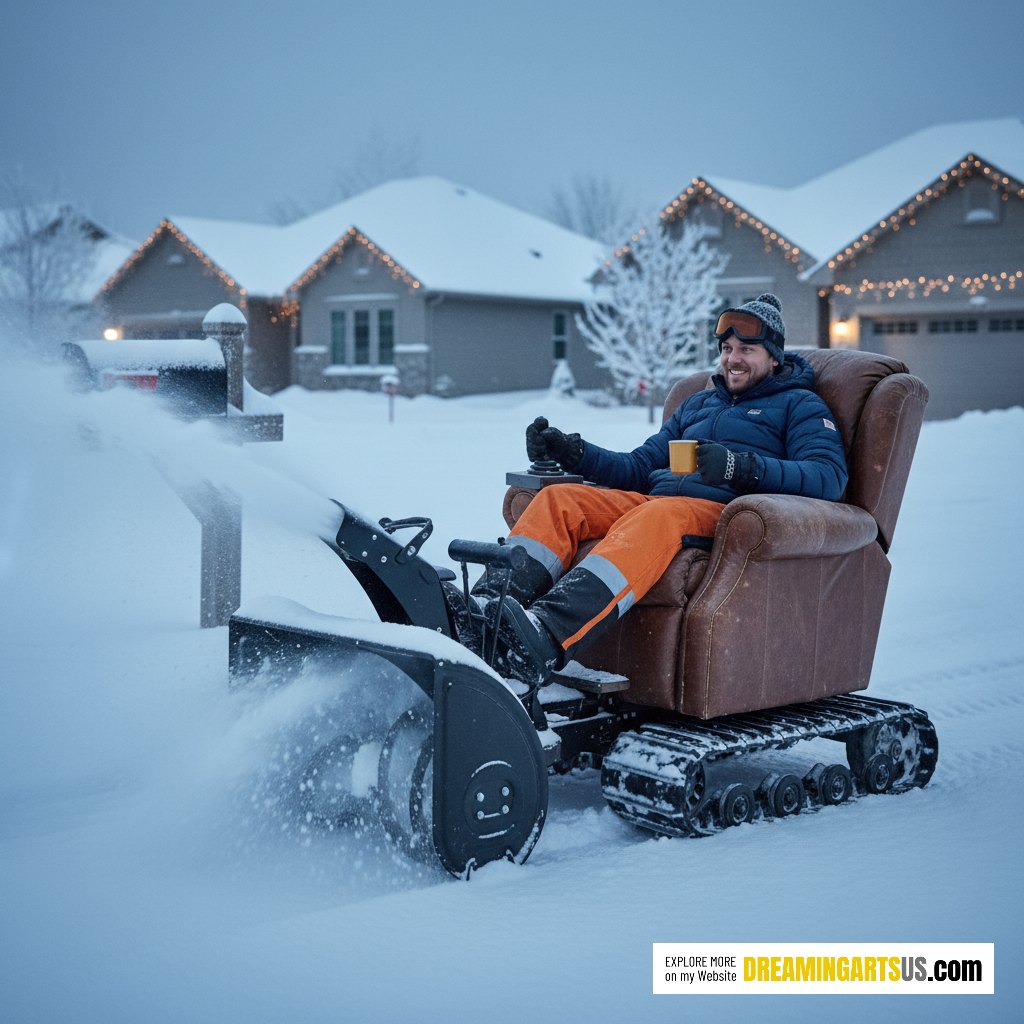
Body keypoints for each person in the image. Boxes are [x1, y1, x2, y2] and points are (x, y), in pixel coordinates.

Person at [473, 293, 848, 688]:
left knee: (659, 515)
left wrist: (741, 468)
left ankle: (545, 634)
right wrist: (573, 453)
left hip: (719, 510)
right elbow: (638, 466)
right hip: (657, 501)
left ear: (775, 357)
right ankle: (485, 610)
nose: (733, 358)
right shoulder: (697, 405)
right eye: (727, 348)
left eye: (747, 349)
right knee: (559, 500)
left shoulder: (801, 405)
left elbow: (827, 476)